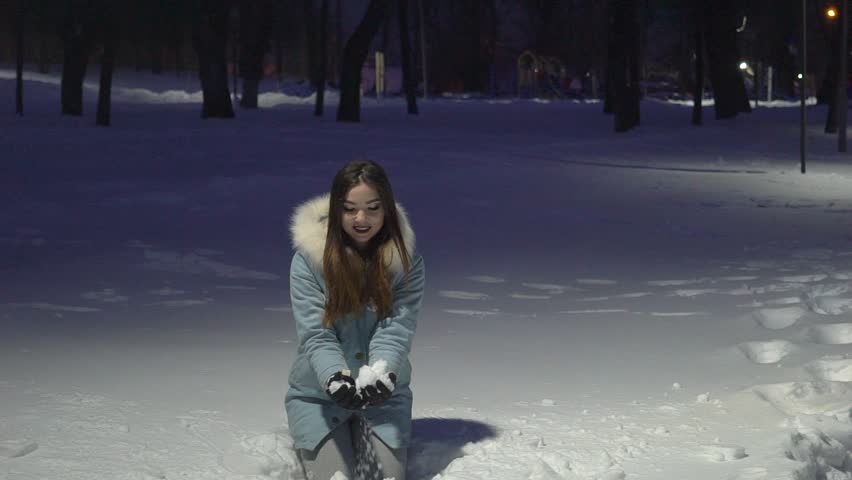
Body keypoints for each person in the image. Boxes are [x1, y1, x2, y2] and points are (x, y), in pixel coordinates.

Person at [286, 160, 425, 480]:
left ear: (386, 208)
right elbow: (316, 333)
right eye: (350, 209)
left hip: (384, 399)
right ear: (337, 210)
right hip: (318, 397)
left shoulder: (406, 262)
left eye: (372, 208)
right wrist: (333, 376)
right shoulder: (307, 261)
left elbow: (397, 326)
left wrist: (383, 371)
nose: (361, 219)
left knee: (383, 476)